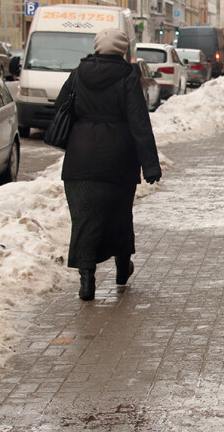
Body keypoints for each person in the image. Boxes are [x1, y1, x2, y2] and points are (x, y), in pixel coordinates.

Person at [56, 28, 162, 301]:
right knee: (119, 217)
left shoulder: (79, 73)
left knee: (84, 221)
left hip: (80, 161)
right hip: (118, 160)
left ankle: (87, 282)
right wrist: (150, 165)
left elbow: (60, 107)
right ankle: (121, 270)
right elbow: (139, 123)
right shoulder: (127, 76)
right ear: (122, 50)